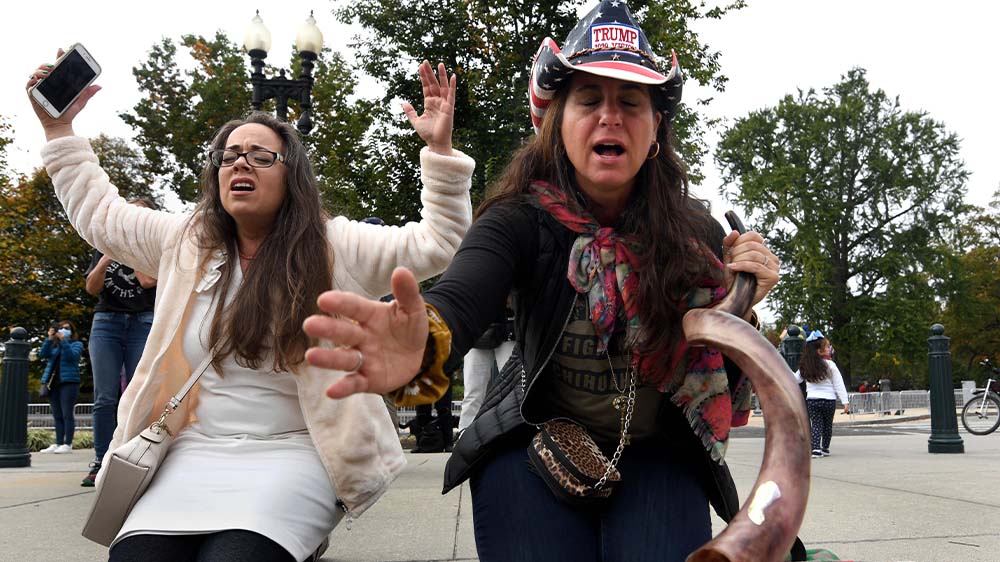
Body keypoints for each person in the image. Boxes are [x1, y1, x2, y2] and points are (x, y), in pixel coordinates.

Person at [301, 2, 782, 560]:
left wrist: (744, 307)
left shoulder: (695, 232)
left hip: (657, 446)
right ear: (556, 124)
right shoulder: (515, 218)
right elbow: (460, 298)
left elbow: (714, 364)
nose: (610, 116)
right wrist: (422, 342)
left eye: (630, 101)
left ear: (655, 131)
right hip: (532, 436)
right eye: (588, 99)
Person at [28, 54, 473, 562]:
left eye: (262, 157)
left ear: (292, 178)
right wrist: (60, 129)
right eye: (229, 154)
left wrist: (438, 150)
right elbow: (100, 215)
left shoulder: (334, 245)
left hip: (298, 452)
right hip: (195, 452)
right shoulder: (184, 241)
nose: (240, 162)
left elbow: (439, 242)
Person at [82, 198, 159, 487]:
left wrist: (128, 248)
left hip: (143, 322)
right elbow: (92, 287)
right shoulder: (105, 243)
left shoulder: (153, 246)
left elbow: (148, 281)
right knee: (105, 396)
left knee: (139, 393)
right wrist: (106, 256)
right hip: (107, 323)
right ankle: (100, 460)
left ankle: (133, 459)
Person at [457, 299, 515, 433]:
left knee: (511, 389)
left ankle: (512, 433)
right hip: (479, 327)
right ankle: (464, 434)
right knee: (473, 390)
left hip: (504, 325)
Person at [793, 330, 849, 458]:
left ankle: (815, 449)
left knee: (816, 424)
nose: (830, 348)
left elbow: (796, 379)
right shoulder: (830, 365)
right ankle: (825, 448)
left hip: (813, 400)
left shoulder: (806, 366)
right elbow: (838, 384)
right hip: (829, 400)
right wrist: (845, 402)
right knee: (827, 425)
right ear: (820, 351)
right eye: (827, 347)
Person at [37, 320, 84, 454]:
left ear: (72, 332)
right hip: (53, 384)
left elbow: (72, 357)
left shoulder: (77, 344)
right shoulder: (54, 346)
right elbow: (43, 355)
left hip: (69, 383)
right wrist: (49, 339)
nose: (63, 330)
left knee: (67, 414)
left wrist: (64, 341)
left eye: (67, 328)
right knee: (57, 415)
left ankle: (67, 444)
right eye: (61, 328)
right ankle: (58, 443)